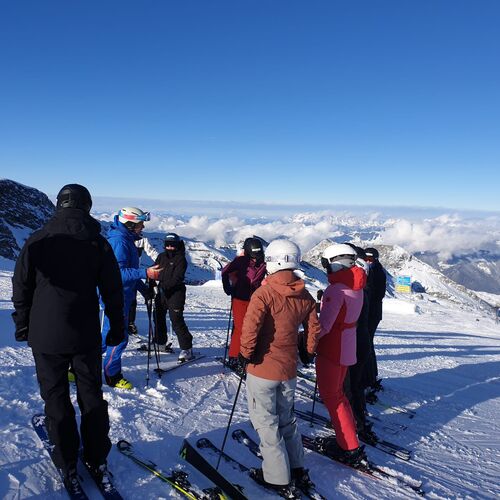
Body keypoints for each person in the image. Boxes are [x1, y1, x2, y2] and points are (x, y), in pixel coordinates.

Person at [11, 184, 124, 495]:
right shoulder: (97, 243)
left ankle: (67, 462)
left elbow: (21, 287)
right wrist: (116, 328)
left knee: (56, 397)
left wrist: (22, 324)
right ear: (86, 206)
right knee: (91, 395)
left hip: (45, 335)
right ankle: (97, 458)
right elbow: (113, 291)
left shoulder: (38, 240)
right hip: (85, 334)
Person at [239, 239, 320, 494]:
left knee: (266, 422)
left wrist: (245, 354)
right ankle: (297, 467)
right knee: (287, 420)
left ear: (271, 262)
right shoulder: (304, 294)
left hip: (262, 368)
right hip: (288, 369)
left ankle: (277, 477)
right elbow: (314, 328)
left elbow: (250, 328)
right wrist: (308, 352)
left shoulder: (263, 294)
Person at [315, 243, 367, 466]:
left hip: (332, 348)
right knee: (339, 395)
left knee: (332, 397)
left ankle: (348, 446)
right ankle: (349, 439)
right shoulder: (357, 285)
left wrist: (305, 339)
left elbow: (324, 326)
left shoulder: (336, 290)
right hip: (347, 344)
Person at [101, 206, 162, 389]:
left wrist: (143, 289)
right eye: (140, 224)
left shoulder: (126, 240)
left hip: (120, 296)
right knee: (118, 337)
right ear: (129, 224)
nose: (142, 227)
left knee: (106, 337)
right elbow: (116, 274)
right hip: (116, 298)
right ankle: (112, 375)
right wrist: (145, 273)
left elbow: (128, 272)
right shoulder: (120, 242)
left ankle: (76, 367)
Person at [221, 237, 266, 371]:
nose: (255, 258)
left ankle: (250, 354)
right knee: (241, 328)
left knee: (255, 327)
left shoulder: (264, 263)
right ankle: (235, 356)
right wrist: (228, 287)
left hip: (256, 300)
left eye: (257, 255)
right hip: (240, 299)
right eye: (253, 255)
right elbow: (225, 272)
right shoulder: (240, 261)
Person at [153, 233, 194, 362]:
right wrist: (151, 284)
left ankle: (187, 348)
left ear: (178, 245)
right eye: (168, 245)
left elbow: (177, 278)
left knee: (176, 320)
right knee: (158, 316)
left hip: (176, 293)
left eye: (173, 245)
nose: (170, 247)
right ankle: (160, 342)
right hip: (161, 292)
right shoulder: (161, 257)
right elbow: (154, 271)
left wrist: (164, 286)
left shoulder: (181, 259)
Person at [363, 247, 387, 392]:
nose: (367, 262)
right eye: (365, 259)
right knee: (368, 344)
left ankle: (370, 377)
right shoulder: (373, 270)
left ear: (376, 260)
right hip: (371, 313)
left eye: (370, 259)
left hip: (372, 314)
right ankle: (371, 376)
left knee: (367, 344)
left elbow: (377, 295)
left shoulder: (377, 272)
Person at [128, 236, 160, 335]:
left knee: (132, 299)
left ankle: (130, 323)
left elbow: (152, 252)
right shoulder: (122, 239)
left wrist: (161, 262)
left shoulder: (142, 239)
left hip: (134, 273)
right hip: (123, 272)